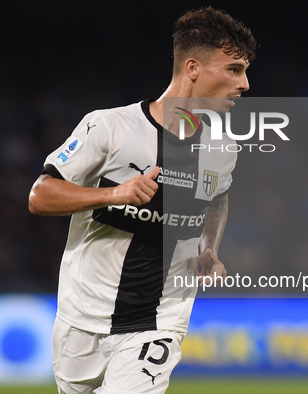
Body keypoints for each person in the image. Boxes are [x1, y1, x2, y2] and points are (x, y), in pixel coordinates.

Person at [29, 7, 256, 394]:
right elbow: (40, 194)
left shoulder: (222, 147)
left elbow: (217, 198)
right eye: (234, 69)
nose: (245, 84)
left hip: (160, 318)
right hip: (82, 313)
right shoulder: (109, 126)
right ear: (193, 68)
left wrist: (208, 248)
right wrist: (113, 193)